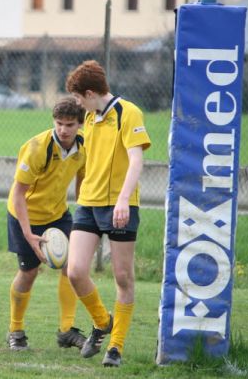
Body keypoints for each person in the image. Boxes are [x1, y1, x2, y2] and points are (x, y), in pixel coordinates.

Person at [64, 60, 151, 367]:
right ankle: (102, 322)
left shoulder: (128, 113)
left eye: (78, 97)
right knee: (74, 271)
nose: (76, 103)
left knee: (123, 277)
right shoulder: (89, 118)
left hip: (119, 205)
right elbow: (86, 162)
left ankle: (115, 347)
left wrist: (124, 200)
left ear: (90, 93)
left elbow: (136, 161)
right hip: (88, 204)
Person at [6, 97, 88, 351]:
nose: (63, 129)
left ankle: (66, 330)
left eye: (70, 124)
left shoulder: (85, 147)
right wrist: (29, 233)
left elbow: (82, 184)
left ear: (79, 125)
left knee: (71, 268)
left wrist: (87, 217)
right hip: (25, 214)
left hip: (58, 214)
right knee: (29, 273)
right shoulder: (37, 148)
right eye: (59, 123)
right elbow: (19, 193)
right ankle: (15, 330)